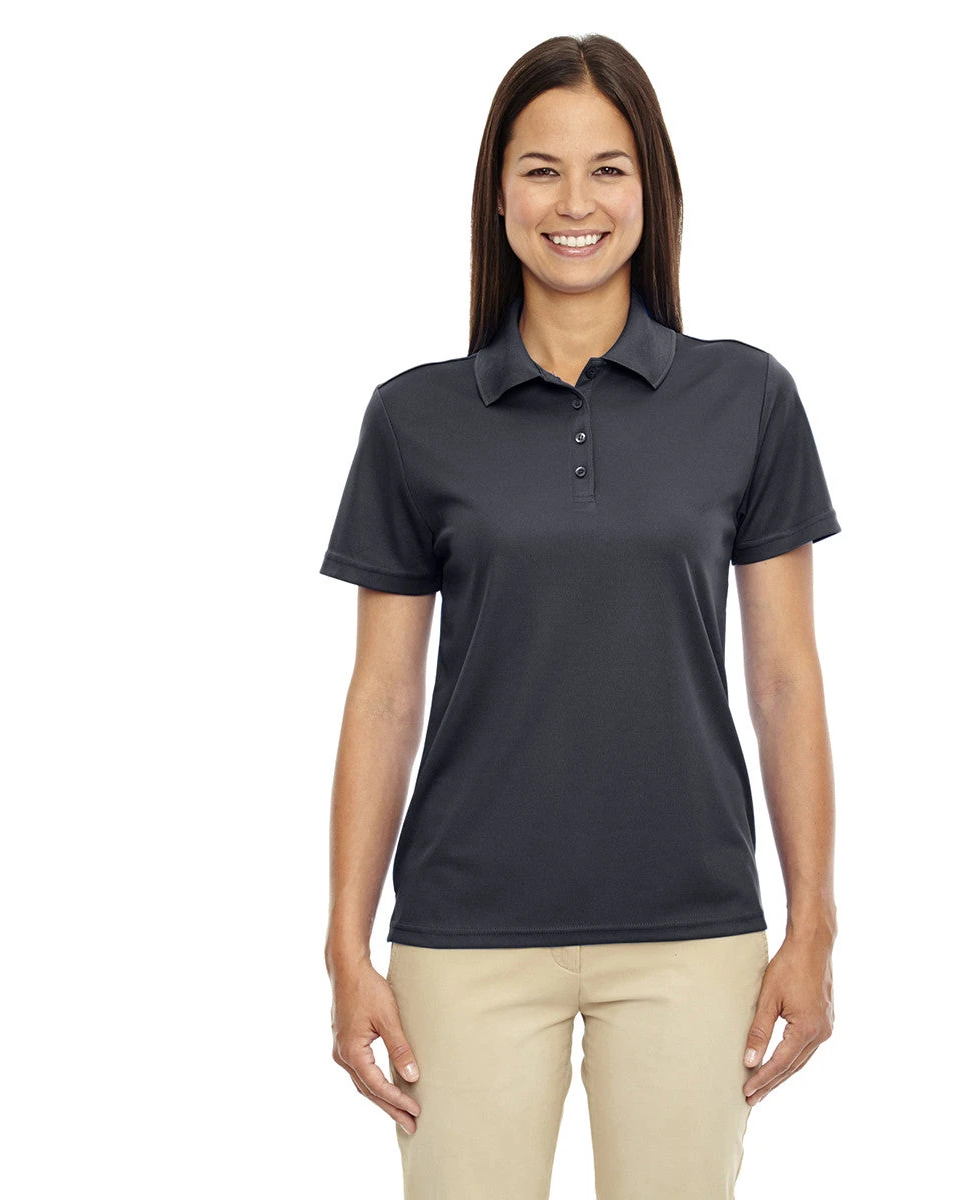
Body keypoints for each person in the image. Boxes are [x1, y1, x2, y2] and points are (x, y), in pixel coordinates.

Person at [320, 32, 841, 1200]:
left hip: (693, 932)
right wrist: (346, 951)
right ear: (497, 192)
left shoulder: (748, 400)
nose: (574, 203)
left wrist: (813, 925)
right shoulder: (413, 420)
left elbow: (786, 680)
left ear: (652, 190)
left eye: (608, 169)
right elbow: (385, 695)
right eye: (541, 169)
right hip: (464, 935)